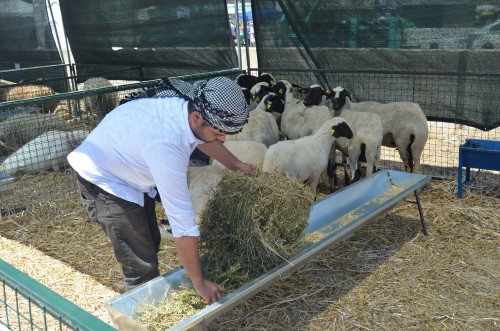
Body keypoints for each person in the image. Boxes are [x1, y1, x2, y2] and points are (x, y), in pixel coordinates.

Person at [67, 76, 254, 304]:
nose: (222, 139)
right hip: (105, 180)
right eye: (219, 133)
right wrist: (199, 283)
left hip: (129, 166)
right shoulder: (166, 145)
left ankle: (150, 291)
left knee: (150, 239)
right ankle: (143, 313)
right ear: (197, 117)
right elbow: (182, 224)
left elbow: (203, 137)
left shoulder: (189, 108)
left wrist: (236, 165)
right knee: (140, 261)